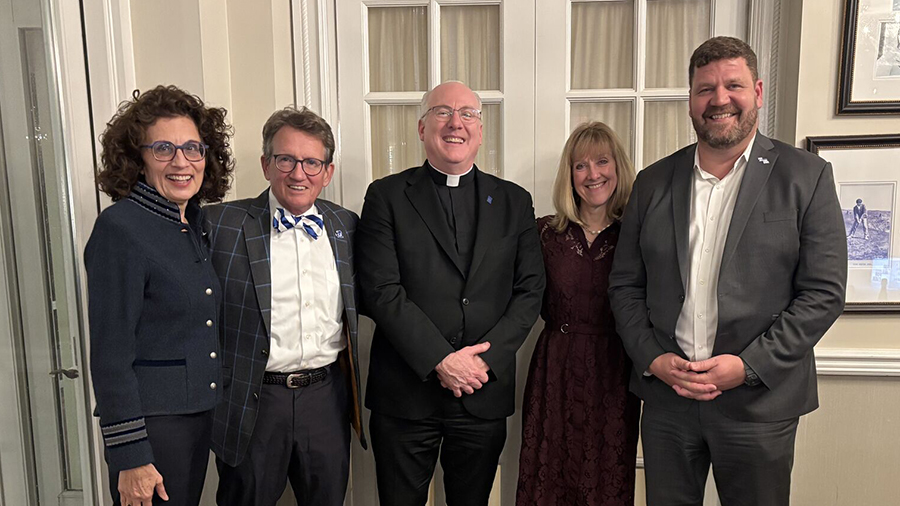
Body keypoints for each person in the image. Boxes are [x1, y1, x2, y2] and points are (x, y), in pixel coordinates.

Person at [608, 36, 847, 506]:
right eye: (704, 89)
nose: (719, 99)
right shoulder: (653, 182)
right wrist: (653, 359)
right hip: (668, 403)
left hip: (758, 405)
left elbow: (823, 293)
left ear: (757, 91)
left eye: (732, 85)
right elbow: (625, 286)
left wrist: (748, 367)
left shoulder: (806, 176)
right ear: (691, 101)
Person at [356, 81, 545, 506]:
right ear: (422, 128)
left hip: (483, 389)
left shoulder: (515, 201)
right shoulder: (385, 196)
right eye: (442, 112)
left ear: (480, 130)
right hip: (405, 395)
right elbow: (381, 290)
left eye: (467, 114)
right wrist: (441, 360)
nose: (455, 123)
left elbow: (530, 292)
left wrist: (482, 361)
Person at [206, 106, 365, 506]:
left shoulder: (347, 226)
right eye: (286, 160)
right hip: (253, 402)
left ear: (327, 172)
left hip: (326, 398)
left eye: (312, 162)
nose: (299, 173)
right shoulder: (220, 225)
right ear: (265, 164)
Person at [85, 85, 234, 506]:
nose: (182, 161)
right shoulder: (121, 228)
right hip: (152, 426)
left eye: (193, 148)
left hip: (197, 416)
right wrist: (131, 455)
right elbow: (110, 355)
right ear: (137, 158)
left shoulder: (194, 224)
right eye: (164, 149)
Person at [516, 122, 640, 506]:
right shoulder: (543, 235)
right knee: (548, 472)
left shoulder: (635, 235)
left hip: (614, 370)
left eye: (602, 162)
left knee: (606, 475)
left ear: (617, 168)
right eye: (580, 166)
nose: (593, 174)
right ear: (569, 176)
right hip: (555, 366)